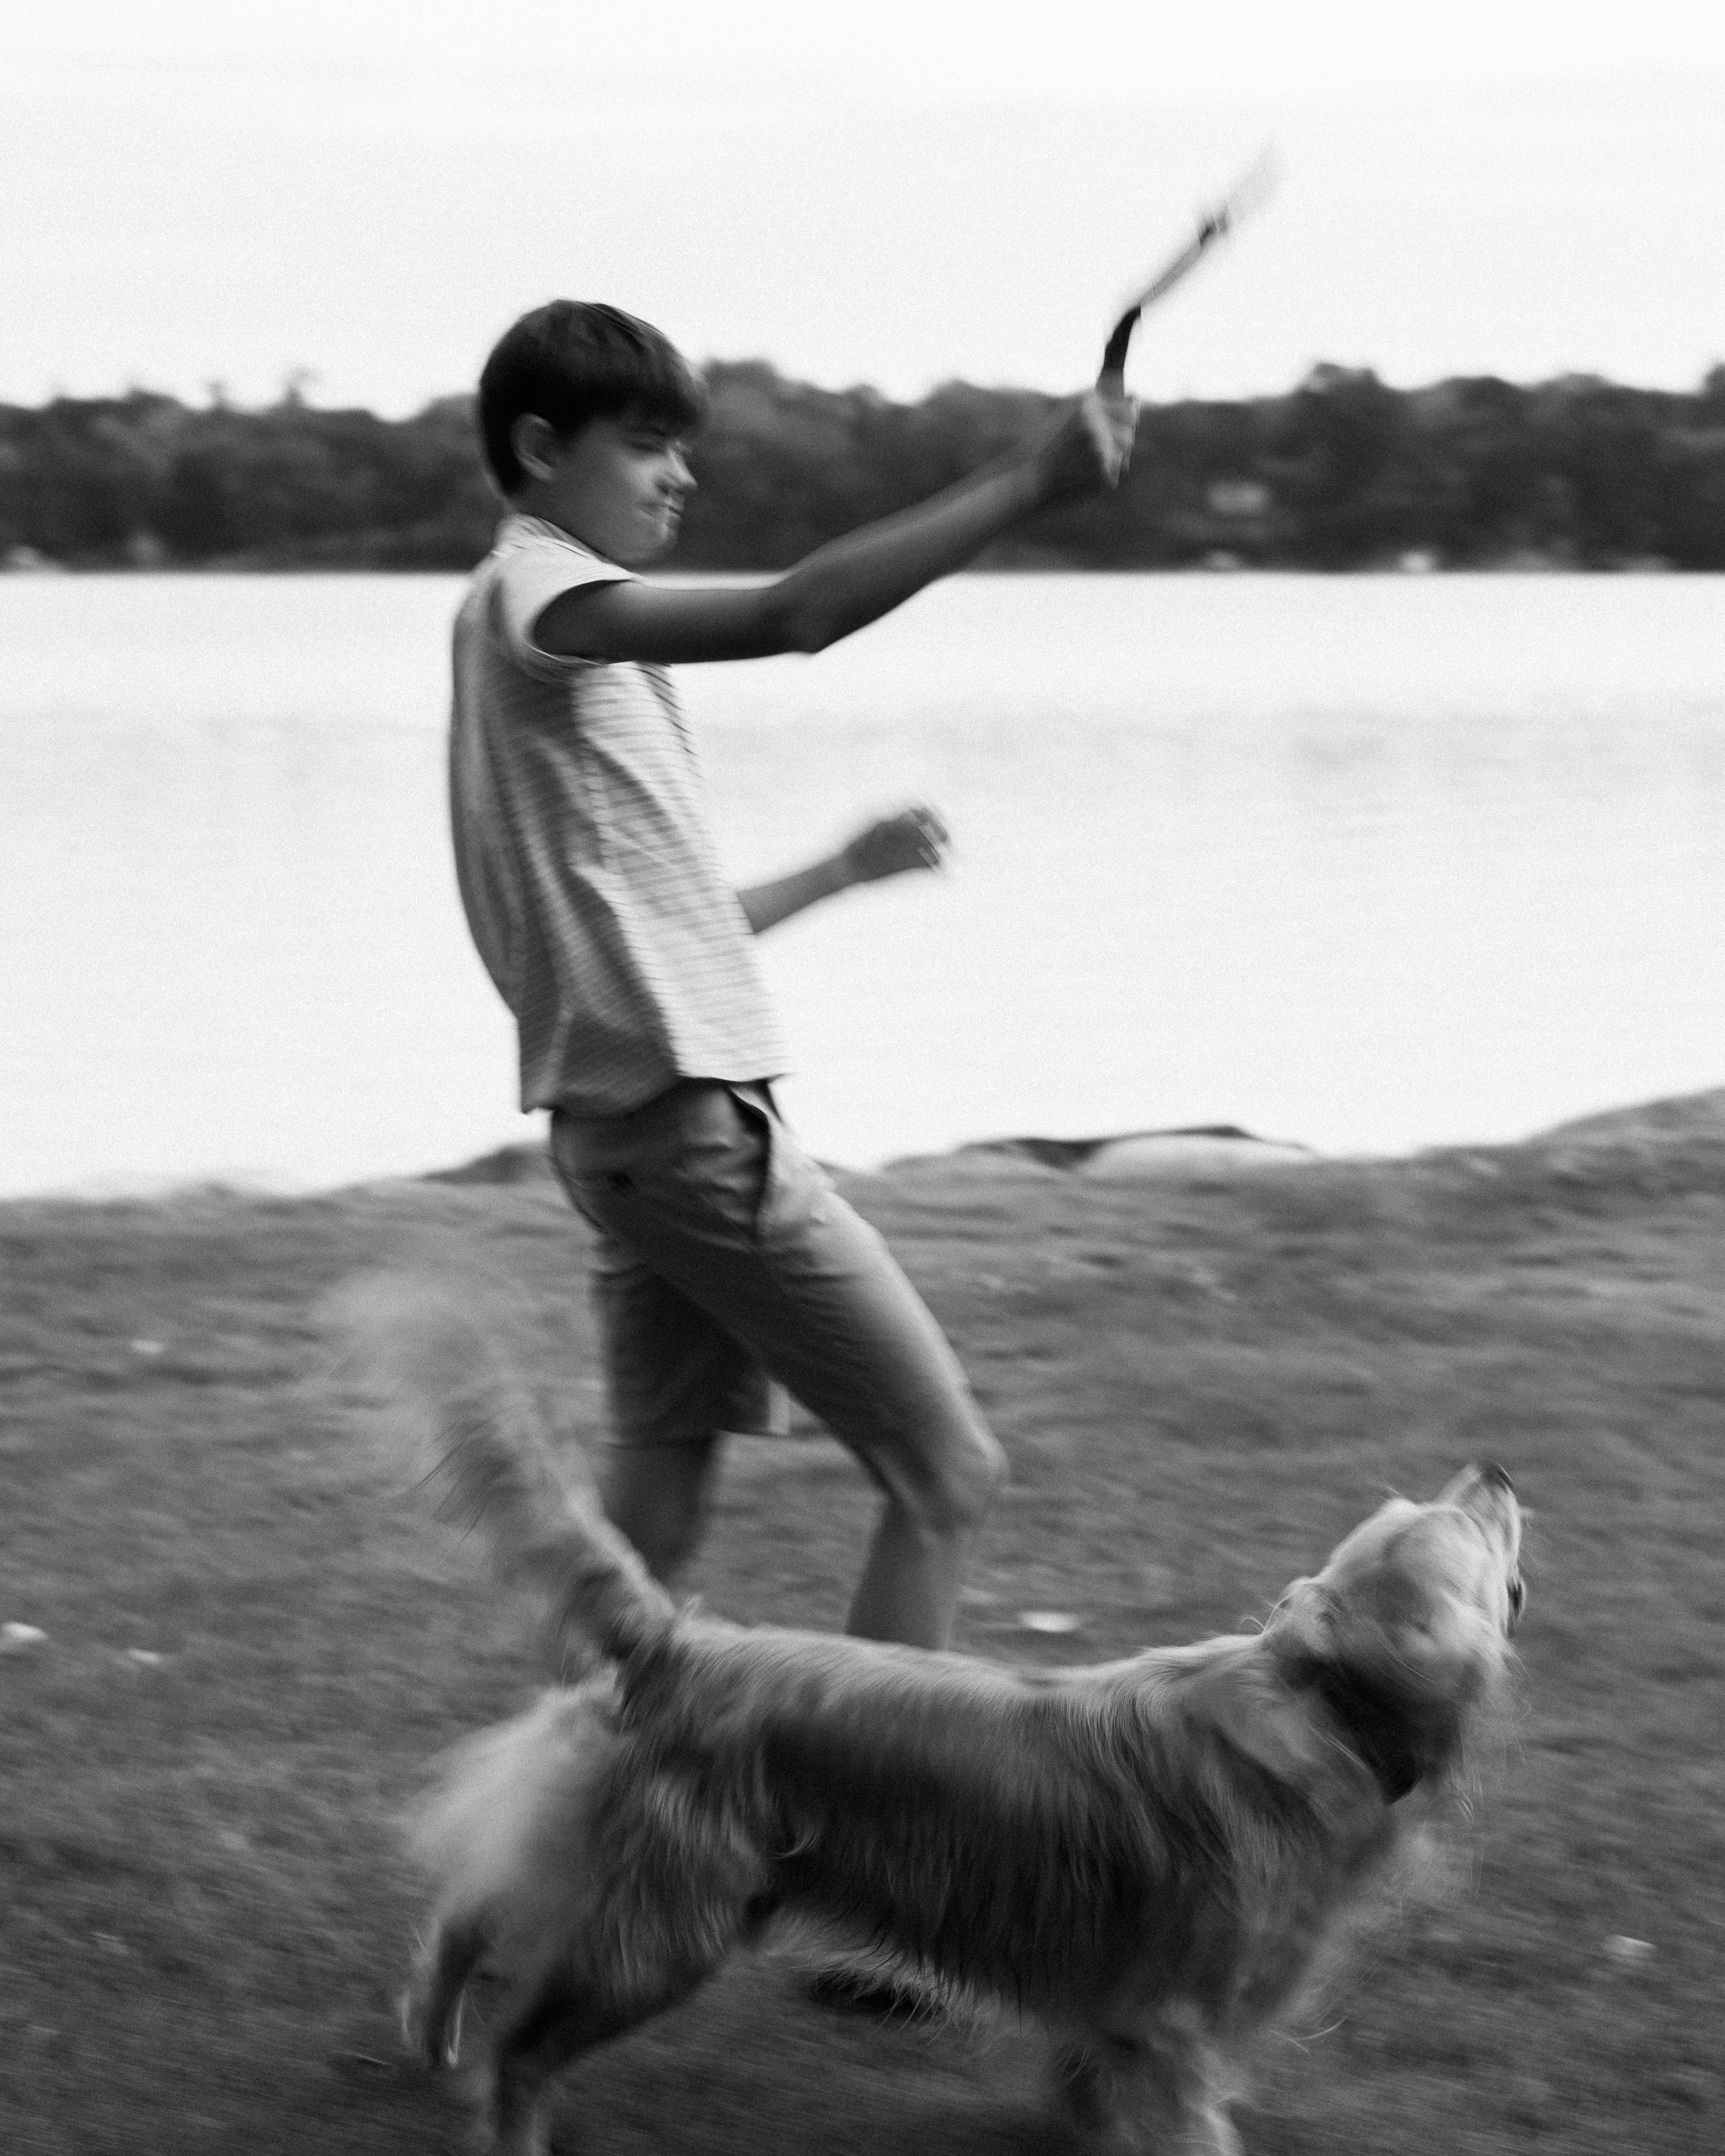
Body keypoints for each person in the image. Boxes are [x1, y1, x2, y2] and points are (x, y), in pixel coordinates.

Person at [450, 299, 1135, 1650]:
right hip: (690, 1138)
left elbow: (653, 926)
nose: (679, 475)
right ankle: (875, 1825)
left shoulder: (559, 637)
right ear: (539, 449)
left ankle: (570, 1823)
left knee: (651, 1515)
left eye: (680, 449)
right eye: (646, 446)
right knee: (947, 1475)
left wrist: (837, 871)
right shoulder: (536, 593)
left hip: (626, 1136)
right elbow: (795, 611)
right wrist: (1024, 484)